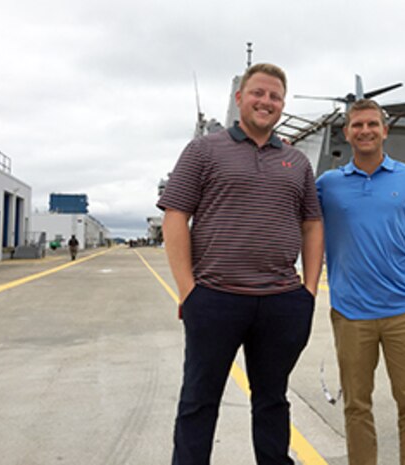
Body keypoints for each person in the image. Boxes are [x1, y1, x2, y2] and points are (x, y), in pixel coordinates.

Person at [157, 63, 324, 465]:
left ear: (282, 104)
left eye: (275, 96)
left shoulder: (297, 162)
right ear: (239, 99)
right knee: (199, 399)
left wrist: (310, 291)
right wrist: (188, 290)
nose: (266, 102)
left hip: (283, 301)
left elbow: (312, 223)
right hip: (216, 298)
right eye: (258, 93)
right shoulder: (204, 150)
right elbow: (175, 215)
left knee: (272, 400)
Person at [316, 99, 405, 465]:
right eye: (357, 125)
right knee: (356, 406)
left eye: (372, 124)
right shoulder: (327, 185)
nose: (365, 131)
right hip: (350, 313)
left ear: (385, 130)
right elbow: (302, 229)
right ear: (346, 133)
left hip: (404, 312)